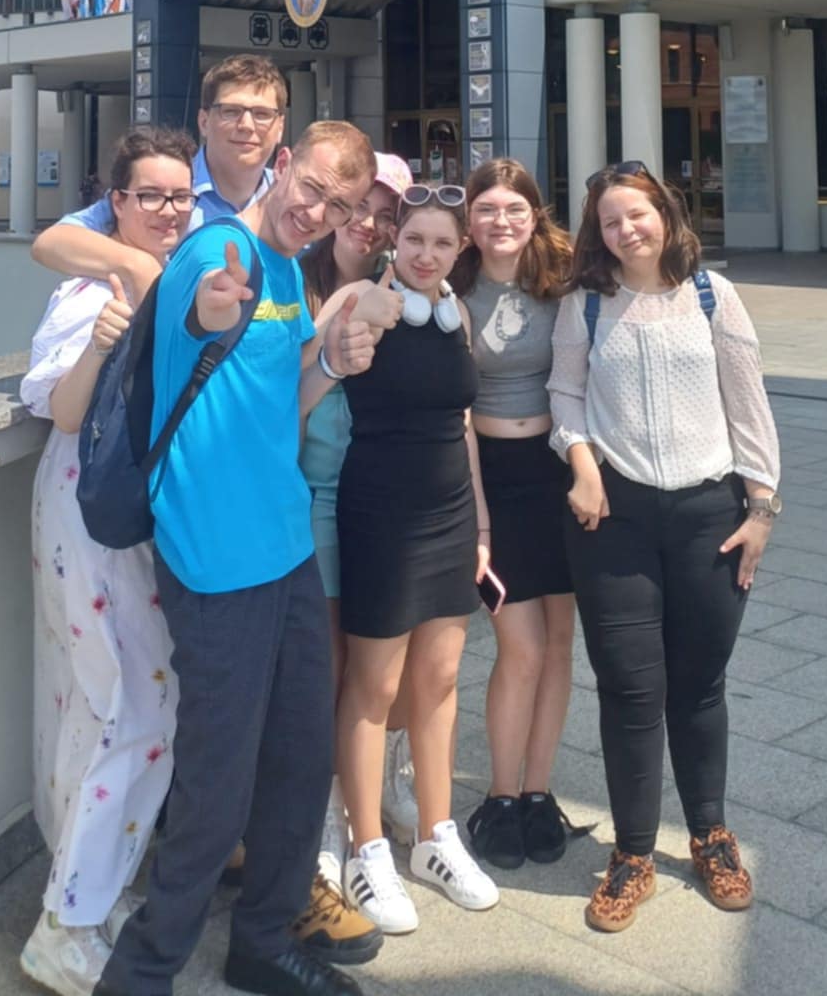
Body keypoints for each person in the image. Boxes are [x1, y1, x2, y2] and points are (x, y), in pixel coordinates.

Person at [95, 120, 384, 996]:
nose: (318, 211)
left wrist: (334, 364)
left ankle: (261, 941)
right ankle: (142, 973)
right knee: (217, 784)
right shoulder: (213, 251)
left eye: (340, 206)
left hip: (287, 548)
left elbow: (283, 402)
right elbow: (197, 311)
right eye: (314, 188)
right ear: (283, 165)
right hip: (215, 559)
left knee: (300, 759)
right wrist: (211, 309)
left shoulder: (290, 272)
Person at [548, 162, 782, 934]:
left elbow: (749, 405)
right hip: (613, 519)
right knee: (628, 688)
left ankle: (711, 836)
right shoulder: (585, 304)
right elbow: (564, 393)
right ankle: (634, 854)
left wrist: (761, 509)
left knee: (700, 686)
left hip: (709, 516)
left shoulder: (713, 296)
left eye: (636, 215)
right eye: (610, 222)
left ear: (665, 213)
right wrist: (582, 464)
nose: (626, 231)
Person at [19, 127, 198, 996]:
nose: (167, 210)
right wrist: (98, 340)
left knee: (140, 707)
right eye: (149, 195)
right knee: (117, 709)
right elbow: (61, 411)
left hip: (140, 520)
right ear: (116, 203)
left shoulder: (178, 275)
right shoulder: (91, 288)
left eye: (180, 196)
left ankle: (94, 895)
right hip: (87, 513)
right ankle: (65, 925)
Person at [335, 184, 499, 935]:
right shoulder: (362, 303)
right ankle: (365, 846)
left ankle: (436, 835)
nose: (426, 255)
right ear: (393, 242)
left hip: (450, 514)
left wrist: (480, 524)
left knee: (438, 679)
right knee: (374, 685)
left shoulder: (457, 315)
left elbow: (462, 425)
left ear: (460, 250)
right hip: (380, 513)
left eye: (442, 243)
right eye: (414, 240)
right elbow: (308, 373)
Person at [451, 158, 583, 870]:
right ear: (469, 220)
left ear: (535, 215)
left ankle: (538, 791)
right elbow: (457, 410)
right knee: (521, 646)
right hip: (491, 477)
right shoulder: (452, 286)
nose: (501, 221)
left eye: (515, 208)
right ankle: (500, 796)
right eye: (487, 209)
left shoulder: (564, 278)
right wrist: (477, 518)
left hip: (561, 472)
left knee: (560, 643)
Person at [300, 155, 418, 869]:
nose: (369, 225)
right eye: (357, 208)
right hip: (312, 494)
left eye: (385, 215)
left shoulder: (404, 290)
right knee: (327, 660)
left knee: (389, 662)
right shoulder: (296, 281)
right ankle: (318, 813)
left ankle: (381, 785)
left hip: (383, 497)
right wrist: (341, 313)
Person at [32, 57, 288, 299]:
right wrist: (140, 267)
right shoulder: (164, 187)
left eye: (262, 114)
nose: (246, 125)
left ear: (280, 128)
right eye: (230, 111)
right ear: (203, 121)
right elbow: (51, 243)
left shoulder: (291, 199)